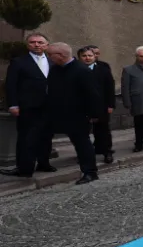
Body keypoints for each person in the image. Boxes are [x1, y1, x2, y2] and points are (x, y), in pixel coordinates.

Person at [44, 43, 101, 184]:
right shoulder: (55, 69)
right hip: (57, 113)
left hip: (78, 115)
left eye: (50, 55)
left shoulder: (81, 70)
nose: (48, 57)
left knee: (82, 143)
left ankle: (90, 172)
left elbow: (92, 94)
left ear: (61, 56)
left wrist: (93, 114)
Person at [1, 32, 55, 178]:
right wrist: (13, 104)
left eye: (40, 42)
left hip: (49, 107)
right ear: (27, 45)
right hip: (27, 107)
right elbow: (11, 85)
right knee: (26, 138)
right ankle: (24, 168)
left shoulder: (53, 62)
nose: (36, 45)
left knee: (46, 136)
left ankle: (44, 163)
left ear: (47, 45)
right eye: (33, 42)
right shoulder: (19, 62)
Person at [78, 47, 116, 164]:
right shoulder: (76, 70)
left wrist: (110, 105)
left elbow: (110, 88)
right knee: (83, 133)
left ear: (95, 57)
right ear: (80, 57)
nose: (87, 58)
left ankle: (107, 152)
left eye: (90, 55)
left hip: (101, 106)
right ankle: (85, 155)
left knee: (103, 131)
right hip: (82, 107)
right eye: (84, 56)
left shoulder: (103, 70)